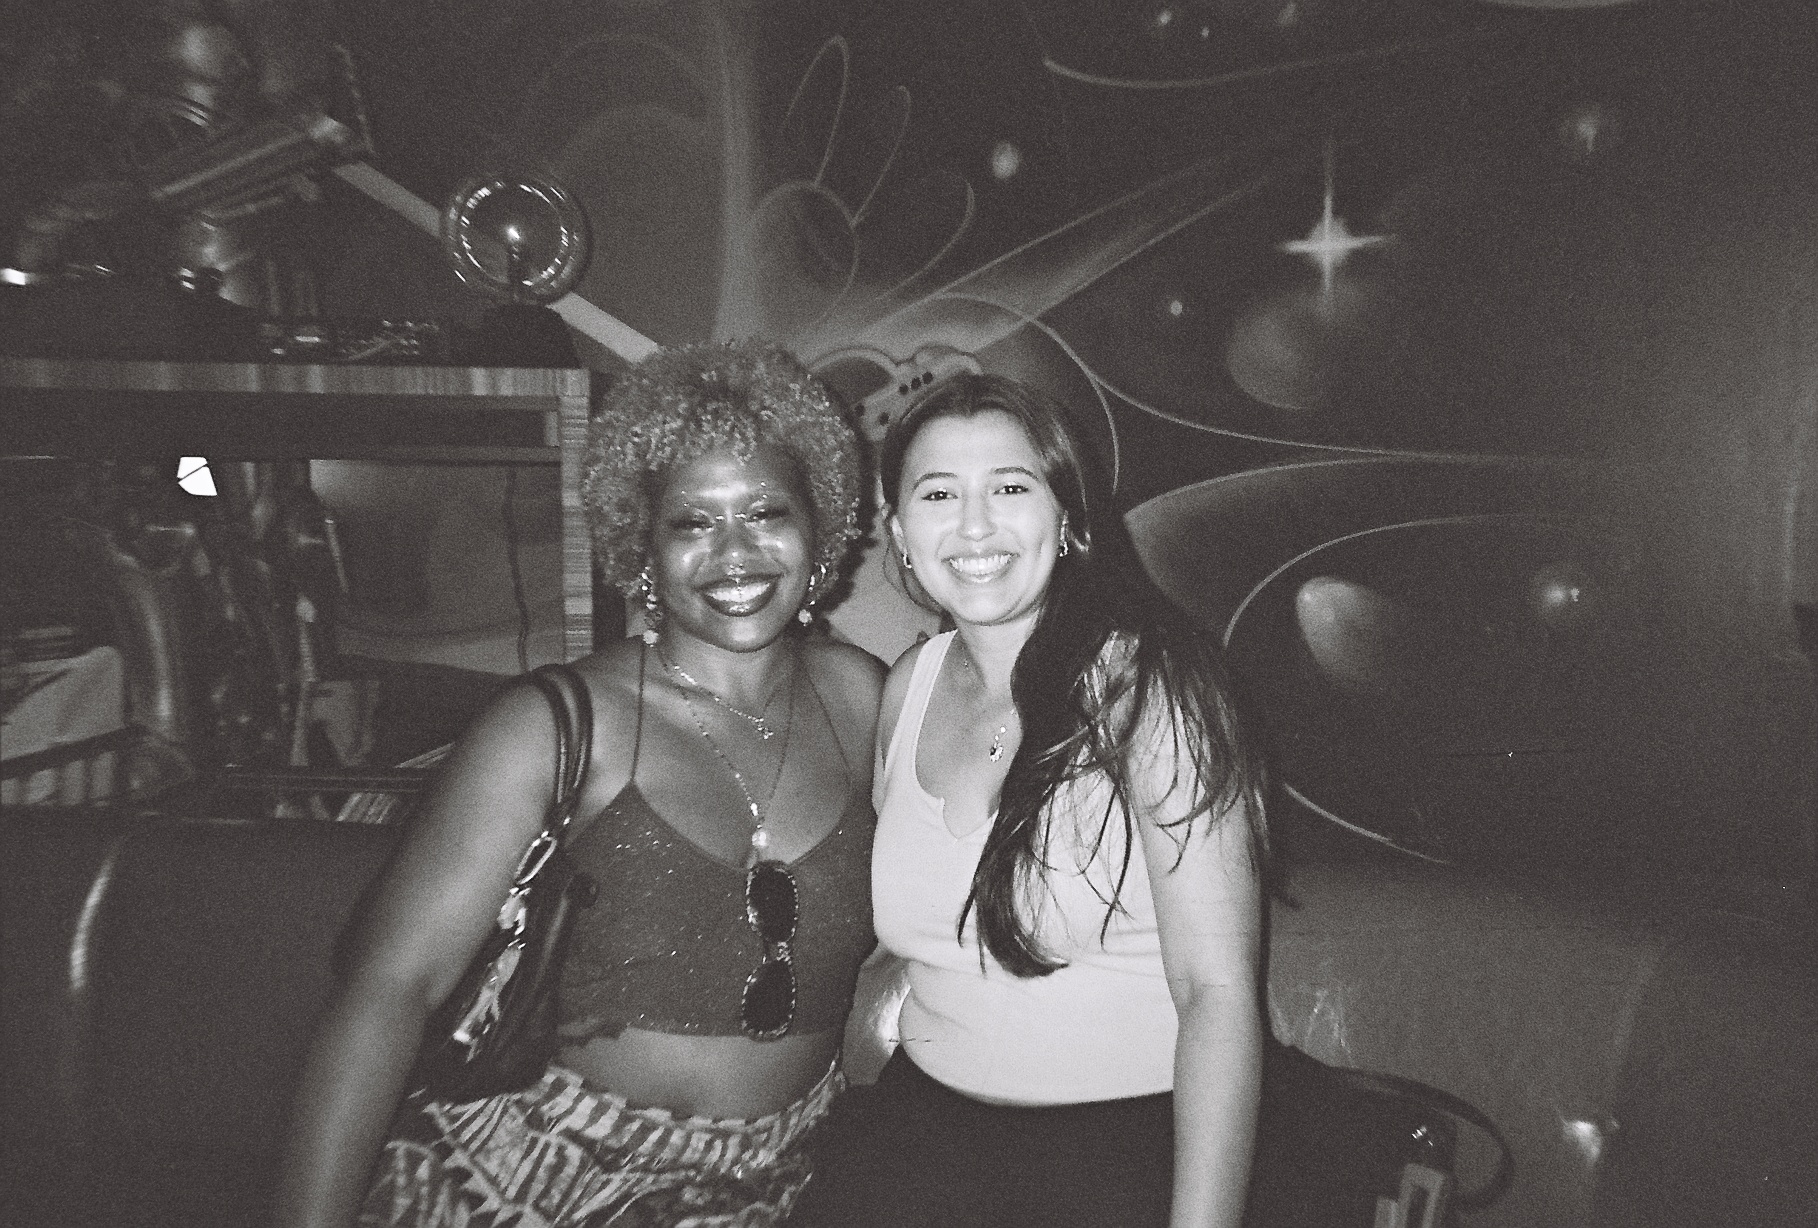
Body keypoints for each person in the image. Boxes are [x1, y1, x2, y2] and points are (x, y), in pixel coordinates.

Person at [275, 339, 884, 1228]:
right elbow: (388, 994)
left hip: (779, 1186)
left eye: (766, 513)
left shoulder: (862, 697)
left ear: (818, 528)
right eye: (692, 523)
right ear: (642, 547)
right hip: (536, 1184)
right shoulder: (551, 727)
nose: (736, 553)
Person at [793, 373, 1270, 1228]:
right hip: (922, 1132)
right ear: (899, 533)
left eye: (1010, 488)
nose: (974, 525)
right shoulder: (907, 686)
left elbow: (1217, 992)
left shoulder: (1153, 688)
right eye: (939, 494)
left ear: (1069, 517)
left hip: (1122, 1146)